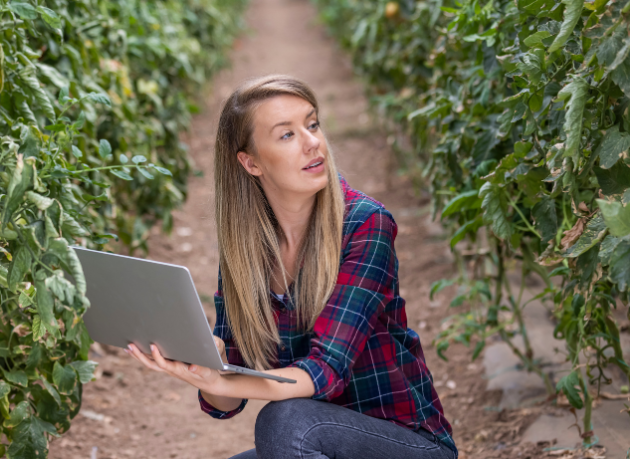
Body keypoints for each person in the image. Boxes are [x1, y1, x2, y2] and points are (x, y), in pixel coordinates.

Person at [125, 74, 458, 459]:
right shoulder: (246, 249)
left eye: (312, 124)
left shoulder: (366, 224)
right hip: (311, 441)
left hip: (405, 443)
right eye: (287, 135)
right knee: (287, 426)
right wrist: (206, 366)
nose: (313, 142)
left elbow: (325, 370)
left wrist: (226, 379)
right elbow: (225, 401)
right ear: (250, 163)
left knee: (282, 422)